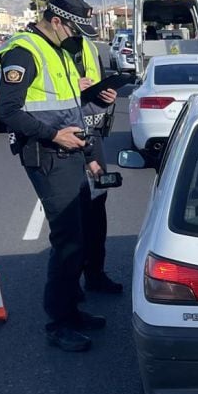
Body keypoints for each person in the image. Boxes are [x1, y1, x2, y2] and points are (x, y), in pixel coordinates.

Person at [0, 0, 112, 352]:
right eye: (75, 30)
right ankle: (57, 322)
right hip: (46, 154)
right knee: (67, 240)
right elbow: (7, 110)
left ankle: (71, 310)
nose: (78, 38)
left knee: (80, 234)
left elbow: (70, 112)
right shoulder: (24, 52)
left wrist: (90, 152)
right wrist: (53, 135)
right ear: (57, 21)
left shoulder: (60, 50)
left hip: (70, 151)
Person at [67, 29, 123, 295]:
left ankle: (95, 275)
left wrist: (106, 96)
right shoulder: (45, 49)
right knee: (69, 215)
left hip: (94, 135)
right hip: (62, 139)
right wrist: (70, 87)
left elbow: (99, 90)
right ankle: (69, 283)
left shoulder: (89, 47)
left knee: (96, 210)